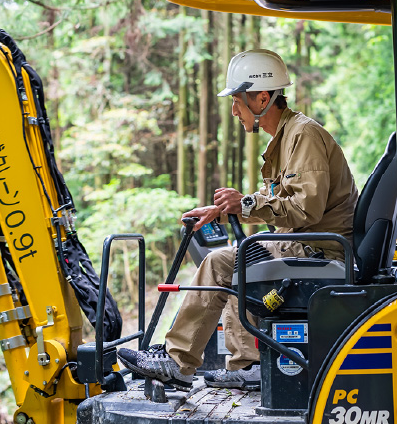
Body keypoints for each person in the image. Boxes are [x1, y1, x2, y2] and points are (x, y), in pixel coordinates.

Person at [117, 49, 359, 391]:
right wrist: (224, 209)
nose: (233, 110)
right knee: (239, 258)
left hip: (321, 252)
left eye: (237, 101)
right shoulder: (287, 137)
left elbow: (306, 208)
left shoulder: (302, 135)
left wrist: (242, 205)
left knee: (221, 263)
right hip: (305, 246)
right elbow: (282, 200)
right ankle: (248, 366)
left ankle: (178, 361)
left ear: (263, 97)